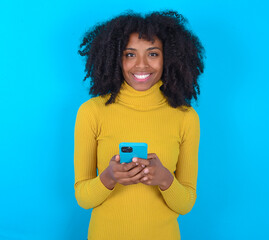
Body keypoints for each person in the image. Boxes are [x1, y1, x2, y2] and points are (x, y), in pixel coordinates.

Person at [74, 10, 205, 240]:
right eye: (130, 54)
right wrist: (109, 177)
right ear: (116, 58)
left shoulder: (186, 117)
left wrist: (165, 179)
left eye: (153, 54)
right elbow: (84, 198)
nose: (141, 65)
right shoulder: (91, 112)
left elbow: (185, 204)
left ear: (169, 57)